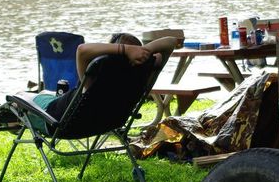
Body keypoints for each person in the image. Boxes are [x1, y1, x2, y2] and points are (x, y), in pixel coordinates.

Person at [26, 32, 181, 127]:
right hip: (107, 123)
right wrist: (144, 51)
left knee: (22, 98)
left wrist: (125, 50)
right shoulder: (142, 78)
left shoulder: (93, 81)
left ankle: (14, 113)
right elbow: (171, 41)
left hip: (54, 118)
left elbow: (82, 50)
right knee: (47, 93)